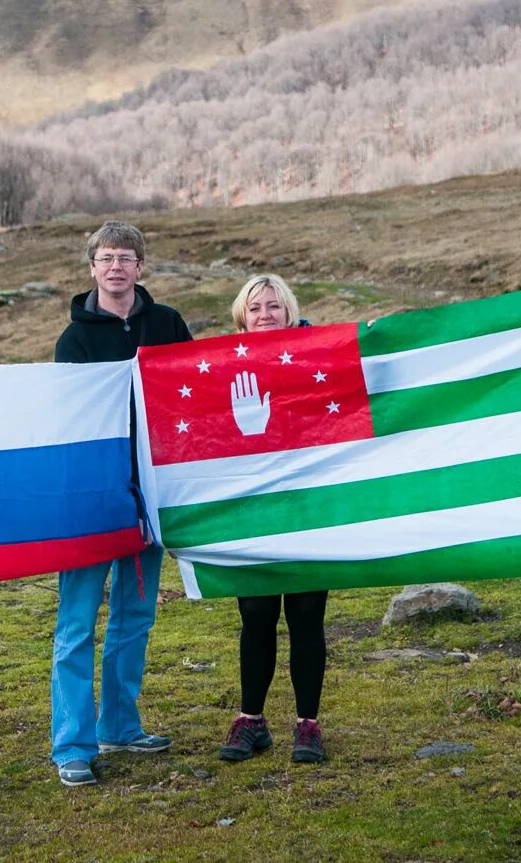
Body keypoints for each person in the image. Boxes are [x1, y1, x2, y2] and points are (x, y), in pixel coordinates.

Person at [50, 220, 192, 787]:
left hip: (149, 499)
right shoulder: (74, 341)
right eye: (106, 257)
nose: (115, 267)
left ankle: (120, 725)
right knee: (78, 624)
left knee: (134, 617)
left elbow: (191, 401)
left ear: (140, 266)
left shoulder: (167, 324)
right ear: (92, 267)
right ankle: (73, 745)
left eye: (125, 258)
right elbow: (66, 425)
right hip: (89, 502)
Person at [216, 273, 330, 765]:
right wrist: (251, 433)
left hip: (307, 508)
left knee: (306, 614)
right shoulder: (219, 369)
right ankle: (251, 721)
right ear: (243, 317)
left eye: (275, 307)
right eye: (256, 307)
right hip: (252, 511)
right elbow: (210, 440)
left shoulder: (317, 360)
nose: (266, 315)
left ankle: (308, 725)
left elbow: (332, 424)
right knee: (257, 614)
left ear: (289, 311)